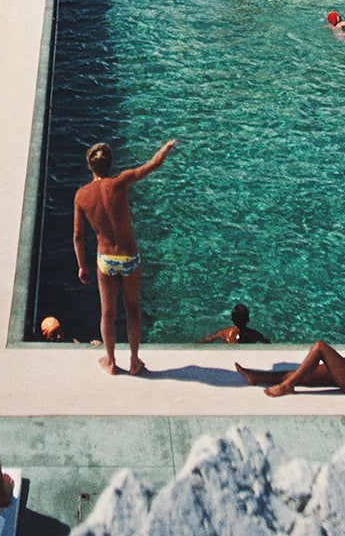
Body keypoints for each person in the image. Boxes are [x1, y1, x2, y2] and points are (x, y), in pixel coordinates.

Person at [73, 136, 177, 376]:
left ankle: (110, 362)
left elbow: (78, 236)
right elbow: (153, 164)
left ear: (90, 167)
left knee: (107, 314)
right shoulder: (121, 182)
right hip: (129, 257)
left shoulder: (82, 196)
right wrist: (166, 147)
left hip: (105, 260)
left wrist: (82, 265)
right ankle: (133, 360)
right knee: (132, 309)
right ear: (110, 164)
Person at [199, 303, 270, 346]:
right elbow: (267, 343)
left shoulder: (225, 333)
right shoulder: (254, 334)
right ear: (248, 319)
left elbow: (210, 339)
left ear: (231, 318)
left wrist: (197, 342)